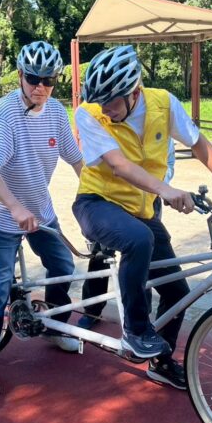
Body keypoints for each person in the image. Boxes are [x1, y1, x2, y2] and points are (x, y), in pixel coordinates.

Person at [72, 45, 212, 390]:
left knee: (178, 291)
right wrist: (166, 190)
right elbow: (119, 165)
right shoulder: (88, 114)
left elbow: (197, 142)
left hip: (141, 208)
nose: (105, 108)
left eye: (112, 101)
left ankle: (161, 362)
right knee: (139, 239)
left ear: (133, 92)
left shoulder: (163, 103)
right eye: (100, 101)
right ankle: (135, 330)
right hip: (97, 203)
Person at [0, 41, 84, 397]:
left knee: (63, 265)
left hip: (40, 209)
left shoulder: (56, 112)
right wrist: (15, 208)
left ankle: (54, 327)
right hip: (3, 212)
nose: (40, 87)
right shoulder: (6, 113)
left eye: (49, 81)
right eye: (33, 79)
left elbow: (77, 160)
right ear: (20, 75)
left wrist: (97, 193)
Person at [77, 139, 175, 330]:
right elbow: (110, 162)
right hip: (112, 199)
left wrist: (161, 186)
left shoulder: (163, 129)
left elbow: (168, 162)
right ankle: (92, 309)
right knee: (101, 255)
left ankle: (141, 317)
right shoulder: (117, 128)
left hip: (147, 200)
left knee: (144, 254)